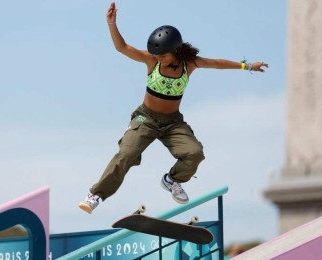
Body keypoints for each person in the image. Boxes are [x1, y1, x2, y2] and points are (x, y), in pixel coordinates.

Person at [79, 2, 268, 214]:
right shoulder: (152, 61)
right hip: (145, 119)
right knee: (127, 154)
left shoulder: (190, 64)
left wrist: (248, 66)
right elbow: (122, 48)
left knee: (194, 153)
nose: (159, 58)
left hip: (173, 123)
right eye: (156, 55)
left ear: (175, 50)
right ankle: (96, 194)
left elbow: (217, 63)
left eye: (163, 55)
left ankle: (172, 180)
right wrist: (112, 23)